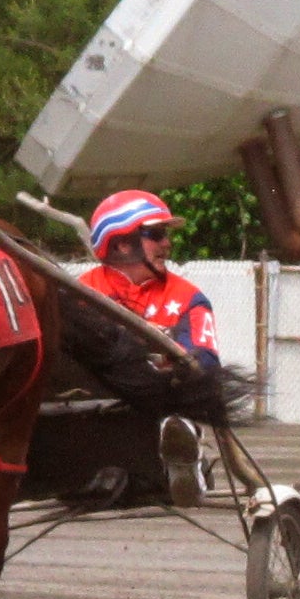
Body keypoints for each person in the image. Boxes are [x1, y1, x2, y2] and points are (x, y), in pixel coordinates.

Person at [82, 189, 224, 504]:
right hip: (90, 419)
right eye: (156, 234)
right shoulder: (77, 294)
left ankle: (182, 455)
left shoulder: (189, 297)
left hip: (157, 411)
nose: (167, 243)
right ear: (121, 244)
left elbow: (207, 361)